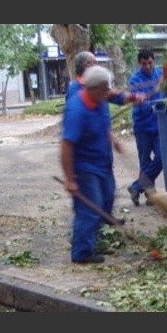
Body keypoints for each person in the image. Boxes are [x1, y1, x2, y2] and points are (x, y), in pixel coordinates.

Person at [61, 65, 134, 264]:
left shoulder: (99, 100)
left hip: (103, 163)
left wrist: (114, 140)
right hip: (84, 168)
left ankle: (95, 240)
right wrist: (69, 179)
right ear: (93, 89)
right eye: (104, 90)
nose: (107, 93)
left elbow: (103, 124)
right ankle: (82, 252)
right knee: (90, 208)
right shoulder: (77, 109)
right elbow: (66, 145)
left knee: (107, 200)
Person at [115, 49, 167, 207]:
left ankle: (136, 187)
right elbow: (140, 106)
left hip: (158, 125)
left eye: (150, 63)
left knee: (161, 157)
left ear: (154, 60)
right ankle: (150, 195)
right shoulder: (135, 80)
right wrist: (144, 101)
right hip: (142, 126)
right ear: (139, 63)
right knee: (144, 161)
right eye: (144, 64)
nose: (148, 66)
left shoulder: (160, 76)